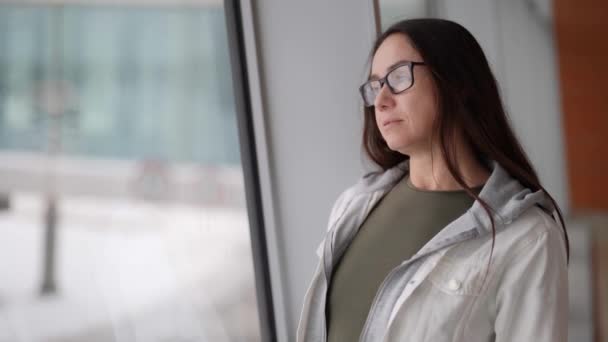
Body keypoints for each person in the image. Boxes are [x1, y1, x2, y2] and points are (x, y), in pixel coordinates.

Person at [296, 18, 569, 342]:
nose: (381, 101)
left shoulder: (527, 237)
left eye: (398, 77)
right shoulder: (353, 205)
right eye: (375, 85)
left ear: (456, 82)